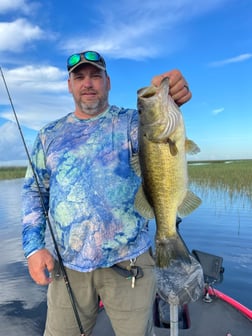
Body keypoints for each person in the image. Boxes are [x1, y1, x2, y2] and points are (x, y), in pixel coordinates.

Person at [22, 50, 192, 336]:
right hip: (69, 266)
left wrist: (166, 92)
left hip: (131, 265)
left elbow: (159, 136)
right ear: (69, 85)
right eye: (79, 77)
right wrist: (32, 247)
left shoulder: (131, 124)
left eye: (95, 76)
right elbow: (34, 191)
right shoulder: (47, 135)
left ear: (108, 82)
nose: (88, 83)